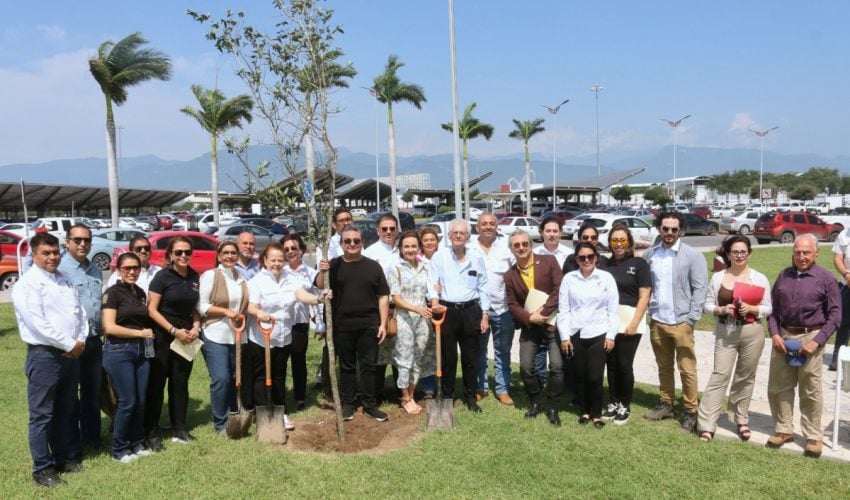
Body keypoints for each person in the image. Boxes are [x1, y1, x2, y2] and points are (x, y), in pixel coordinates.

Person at [13, 232, 87, 487]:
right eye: (46, 253)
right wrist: (69, 344)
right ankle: (42, 470)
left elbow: (80, 315)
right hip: (45, 356)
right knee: (42, 415)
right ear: (33, 255)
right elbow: (37, 323)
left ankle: (62, 458)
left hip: (71, 356)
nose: (52, 257)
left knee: (65, 412)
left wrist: (80, 341)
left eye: (55, 252)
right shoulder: (27, 284)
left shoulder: (65, 280)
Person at [766, 233, 841, 458]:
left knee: (811, 390)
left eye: (806, 252)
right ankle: (783, 430)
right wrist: (775, 334)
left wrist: (817, 341)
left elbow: (835, 314)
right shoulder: (783, 276)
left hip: (811, 338)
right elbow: (773, 310)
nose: (802, 256)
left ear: (816, 253)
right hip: (784, 337)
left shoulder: (826, 278)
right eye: (798, 252)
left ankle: (813, 436)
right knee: (780, 388)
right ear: (793, 253)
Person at [696, 236, 772, 442]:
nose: (739, 255)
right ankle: (706, 423)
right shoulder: (719, 277)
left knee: (745, 377)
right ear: (728, 255)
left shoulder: (759, 278)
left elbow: (769, 307)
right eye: (735, 252)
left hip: (752, 331)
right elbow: (707, 304)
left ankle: (741, 419)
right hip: (726, 331)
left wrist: (753, 309)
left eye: (743, 251)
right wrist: (721, 309)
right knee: (720, 375)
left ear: (749, 253)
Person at [316, 226, 390, 421]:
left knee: (368, 366)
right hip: (341, 325)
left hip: (368, 325)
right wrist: (321, 270)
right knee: (347, 366)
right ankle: (348, 404)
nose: (352, 244)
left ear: (362, 242)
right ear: (341, 244)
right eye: (347, 241)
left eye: (356, 241)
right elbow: (320, 285)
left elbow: (383, 296)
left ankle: (369, 405)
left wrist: (382, 324)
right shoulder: (333, 265)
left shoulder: (373, 266)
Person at [248, 243, 325, 430]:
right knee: (262, 376)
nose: (276, 263)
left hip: (283, 335)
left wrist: (319, 298)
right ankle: (263, 413)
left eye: (280, 260)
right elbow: (251, 306)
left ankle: (280, 412)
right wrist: (259, 314)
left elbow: (302, 296)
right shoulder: (257, 281)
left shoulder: (290, 278)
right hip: (261, 337)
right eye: (273, 260)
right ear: (265, 261)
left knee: (279, 375)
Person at [643, 211, 708, 433]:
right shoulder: (650, 254)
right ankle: (666, 404)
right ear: (659, 229)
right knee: (663, 367)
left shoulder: (692, 255)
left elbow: (700, 288)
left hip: (681, 321)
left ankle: (691, 411)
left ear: (680, 231)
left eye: (674, 229)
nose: (669, 233)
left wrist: (691, 319)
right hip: (658, 320)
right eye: (665, 229)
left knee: (687, 369)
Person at [145, 236, 201, 449]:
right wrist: (172, 330)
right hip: (163, 335)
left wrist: (196, 327)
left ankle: (180, 427)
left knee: (180, 383)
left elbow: (195, 308)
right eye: (178, 252)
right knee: (157, 385)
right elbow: (151, 309)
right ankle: (152, 432)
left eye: (187, 252)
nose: (183, 256)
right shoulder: (162, 277)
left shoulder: (195, 277)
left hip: (186, 336)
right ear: (170, 255)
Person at [428, 219, 489, 413]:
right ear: (449, 235)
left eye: (462, 233)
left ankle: (470, 397)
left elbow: (484, 286)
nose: (458, 235)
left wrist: (485, 314)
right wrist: (435, 300)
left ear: (468, 237)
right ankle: (447, 396)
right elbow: (432, 281)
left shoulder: (476, 258)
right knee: (449, 357)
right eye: (455, 232)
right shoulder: (440, 256)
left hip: (471, 311)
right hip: (447, 311)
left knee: (471, 356)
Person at [504, 230, 564, 425]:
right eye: (516, 245)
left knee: (556, 366)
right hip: (530, 326)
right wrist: (530, 317)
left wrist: (543, 313)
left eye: (524, 244)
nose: (521, 248)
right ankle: (537, 401)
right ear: (512, 249)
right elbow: (512, 304)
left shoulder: (549, 262)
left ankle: (553, 405)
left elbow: (559, 289)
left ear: (530, 244)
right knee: (526, 367)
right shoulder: (510, 275)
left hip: (552, 323)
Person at [557, 242, 619, 428]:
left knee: (595, 377)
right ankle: (584, 411)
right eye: (582, 257)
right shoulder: (569, 278)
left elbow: (613, 310)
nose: (586, 260)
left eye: (590, 257)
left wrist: (611, 336)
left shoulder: (606, 278)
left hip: (599, 333)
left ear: (596, 258)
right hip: (576, 333)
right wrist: (564, 337)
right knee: (580, 376)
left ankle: (597, 414)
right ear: (576, 259)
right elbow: (564, 309)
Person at [102, 252, 155, 463]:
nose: (132, 272)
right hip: (119, 351)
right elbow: (109, 327)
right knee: (127, 401)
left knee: (141, 400)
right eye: (127, 268)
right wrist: (139, 333)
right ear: (118, 270)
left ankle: (137, 443)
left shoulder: (140, 293)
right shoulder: (112, 293)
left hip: (141, 351)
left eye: (136, 268)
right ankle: (119, 449)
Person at [58, 224, 104, 458]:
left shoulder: (95, 270)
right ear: (67, 242)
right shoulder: (60, 269)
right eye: (77, 240)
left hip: (94, 341)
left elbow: (98, 305)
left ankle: (93, 438)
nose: (82, 244)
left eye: (86, 240)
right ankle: (71, 443)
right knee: (69, 396)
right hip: (71, 343)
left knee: (91, 393)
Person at [600, 224, 651, 426]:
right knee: (610, 364)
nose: (618, 244)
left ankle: (624, 404)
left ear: (629, 242)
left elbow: (644, 295)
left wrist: (635, 322)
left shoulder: (639, 264)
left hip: (630, 320)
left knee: (623, 364)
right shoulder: (606, 264)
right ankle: (613, 401)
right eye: (614, 240)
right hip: (609, 321)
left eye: (622, 240)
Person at [198, 241, 249, 436]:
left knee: (235, 378)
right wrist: (226, 311)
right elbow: (201, 306)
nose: (229, 256)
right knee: (221, 378)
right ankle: (221, 423)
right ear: (219, 256)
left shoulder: (241, 278)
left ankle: (233, 414)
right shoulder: (211, 276)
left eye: (233, 253)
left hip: (236, 335)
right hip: (215, 333)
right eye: (225, 253)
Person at [388, 231, 438, 414]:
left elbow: (431, 291)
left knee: (419, 358)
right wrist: (417, 309)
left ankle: (411, 393)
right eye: (406, 246)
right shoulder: (396, 269)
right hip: (404, 320)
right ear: (401, 249)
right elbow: (397, 299)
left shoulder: (426, 267)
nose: (410, 249)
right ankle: (405, 397)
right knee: (404, 359)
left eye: (413, 246)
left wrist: (436, 292)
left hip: (423, 321)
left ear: (419, 247)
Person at [471, 213, 515, 404]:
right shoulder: (468, 248)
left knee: (502, 350)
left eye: (491, 224)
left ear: (497, 227)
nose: (488, 227)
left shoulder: (507, 248)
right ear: (477, 228)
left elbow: (518, 274)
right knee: (479, 350)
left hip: (503, 308)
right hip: (477, 310)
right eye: (484, 224)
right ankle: (481, 387)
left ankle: (502, 388)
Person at [313, 208, 353, 392]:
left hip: (352, 297)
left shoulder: (356, 240)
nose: (346, 223)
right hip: (333, 299)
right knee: (332, 342)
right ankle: (325, 379)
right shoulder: (327, 246)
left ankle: (350, 382)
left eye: (348, 219)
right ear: (334, 224)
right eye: (342, 220)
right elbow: (320, 279)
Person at [363, 213, 401, 405]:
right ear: (378, 231)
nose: (388, 232)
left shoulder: (401, 250)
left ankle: (400, 390)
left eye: (392, 228)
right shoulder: (370, 253)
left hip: (401, 307)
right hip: (378, 307)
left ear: (397, 230)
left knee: (399, 349)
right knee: (378, 350)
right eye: (384, 229)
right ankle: (377, 392)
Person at [282, 234, 318, 412]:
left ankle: (300, 397)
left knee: (298, 362)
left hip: (300, 324)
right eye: (286, 249)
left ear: (302, 250)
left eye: (294, 248)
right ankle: (278, 397)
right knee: (279, 363)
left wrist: (320, 324)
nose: (290, 252)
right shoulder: (278, 272)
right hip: (281, 324)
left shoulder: (310, 273)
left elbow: (317, 298)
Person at [829, 225, 850, 370]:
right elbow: (837, 259)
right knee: (843, 323)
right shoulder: (844, 235)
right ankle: (837, 359)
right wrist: (847, 275)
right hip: (847, 284)